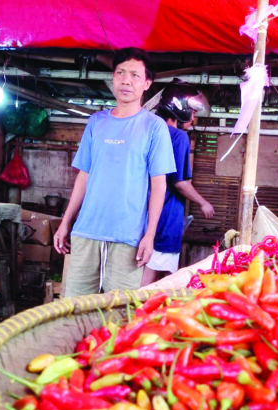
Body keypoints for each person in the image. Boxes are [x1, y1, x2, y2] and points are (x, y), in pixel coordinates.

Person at [53, 48, 176, 297]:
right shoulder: (96, 122)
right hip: (86, 232)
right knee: (74, 310)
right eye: (120, 73)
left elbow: (159, 186)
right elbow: (83, 177)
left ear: (146, 84)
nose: (126, 80)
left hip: (128, 237)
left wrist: (149, 235)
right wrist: (66, 222)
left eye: (134, 75)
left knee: (117, 314)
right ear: (113, 78)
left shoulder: (154, 127)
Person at [141, 81, 215, 286]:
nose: (194, 117)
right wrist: (203, 203)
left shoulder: (149, 131)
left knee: (145, 273)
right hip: (166, 216)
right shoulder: (179, 136)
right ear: (179, 109)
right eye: (192, 111)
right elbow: (180, 182)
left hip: (143, 215)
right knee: (158, 280)